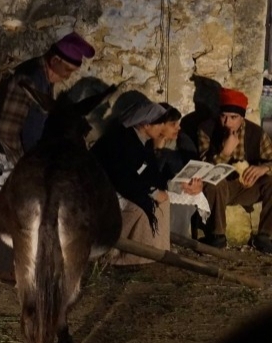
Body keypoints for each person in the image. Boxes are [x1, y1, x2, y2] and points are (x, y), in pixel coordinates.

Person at [0, 31, 96, 280]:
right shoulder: (29, 78)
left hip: (23, 150)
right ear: (54, 61)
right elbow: (6, 129)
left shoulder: (44, 80)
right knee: (15, 206)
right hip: (1, 146)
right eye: (65, 72)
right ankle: (7, 268)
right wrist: (25, 164)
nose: (65, 78)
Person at [91, 98, 170, 265]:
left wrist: (158, 190)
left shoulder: (145, 142)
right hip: (104, 188)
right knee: (140, 209)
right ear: (146, 125)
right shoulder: (120, 140)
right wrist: (152, 192)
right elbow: (122, 176)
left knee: (164, 201)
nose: (163, 129)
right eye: (159, 125)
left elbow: (151, 173)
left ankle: (157, 248)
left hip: (128, 186)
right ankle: (125, 253)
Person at [197, 87, 272, 253]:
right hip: (222, 188)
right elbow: (205, 169)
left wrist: (263, 168)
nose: (227, 122)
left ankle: (264, 236)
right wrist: (225, 153)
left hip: (248, 186)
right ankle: (217, 237)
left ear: (242, 118)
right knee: (214, 184)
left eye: (233, 117)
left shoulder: (256, 133)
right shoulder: (207, 130)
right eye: (223, 116)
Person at [151, 103, 208, 238]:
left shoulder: (183, 141)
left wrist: (197, 184)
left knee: (189, 197)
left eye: (178, 123)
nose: (178, 127)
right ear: (160, 124)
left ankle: (178, 239)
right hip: (157, 187)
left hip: (178, 187)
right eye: (173, 124)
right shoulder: (148, 141)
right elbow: (151, 173)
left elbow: (191, 167)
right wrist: (158, 152)